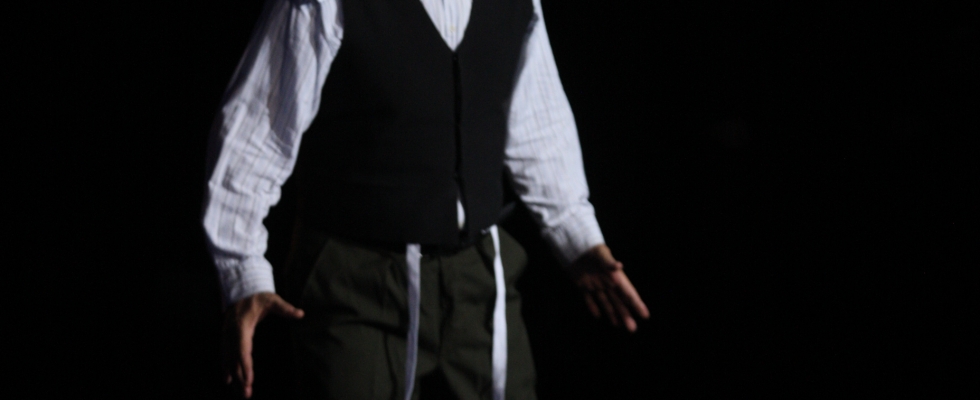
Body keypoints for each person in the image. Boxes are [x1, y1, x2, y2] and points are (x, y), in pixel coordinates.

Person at [203, 0, 649, 398]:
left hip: (478, 277)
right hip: (356, 281)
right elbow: (257, 132)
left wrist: (578, 238)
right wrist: (243, 272)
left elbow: (538, 125)